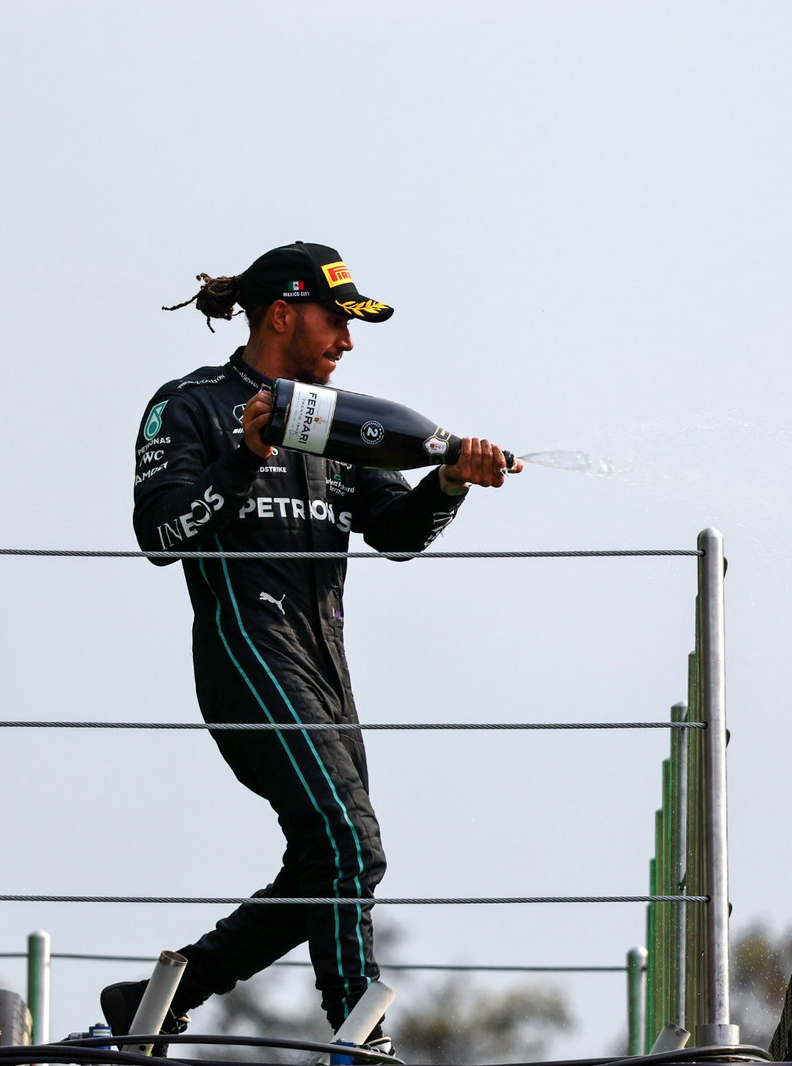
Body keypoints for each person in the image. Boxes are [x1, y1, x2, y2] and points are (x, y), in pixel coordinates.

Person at [108, 241, 520, 1054]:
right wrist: (247, 454)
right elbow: (158, 533)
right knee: (349, 844)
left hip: (327, 671)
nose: (349, 341)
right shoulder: (186, 405)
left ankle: (164, 991)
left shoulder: (335, 420)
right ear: (283, 314)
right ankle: (356, 1036)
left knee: (335, 864)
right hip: (246, 663)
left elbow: (395, 534)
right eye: (338, 321)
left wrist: (450, 482)